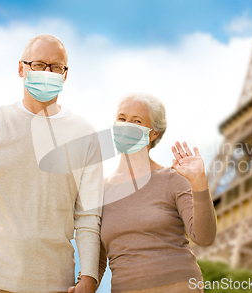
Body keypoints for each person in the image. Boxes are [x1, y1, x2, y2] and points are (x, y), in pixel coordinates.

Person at [0, 34, 102, 293]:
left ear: (65, 75)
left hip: (55, 282)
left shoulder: (84, 134)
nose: (48, 72)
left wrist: (89, 278)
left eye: (56, 67)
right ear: (21, 68)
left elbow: (88, 215)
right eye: (38, 64)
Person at [70, 92, 217, 293]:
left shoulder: (173, 178)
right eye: (122, 119)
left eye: (136, 121)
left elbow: (204, 237)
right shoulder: (99, 191)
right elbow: (98, 258)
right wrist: (84, 284)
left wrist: (199, 183)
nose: (126, 125)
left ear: (153, 133)